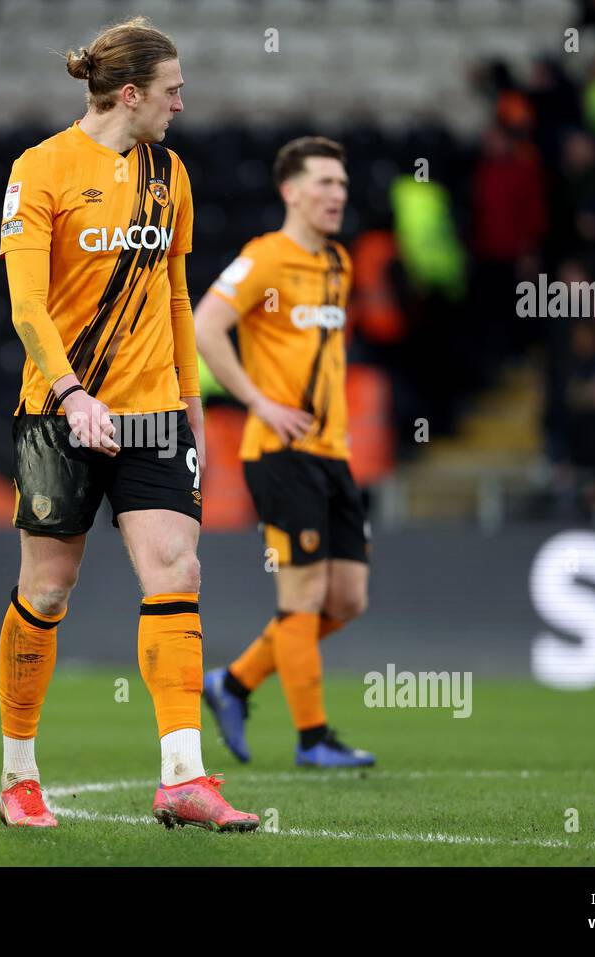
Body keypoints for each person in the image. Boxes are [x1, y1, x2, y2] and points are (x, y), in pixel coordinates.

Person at [0, 18, 258, 831]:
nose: (183, 103)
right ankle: (18, 775)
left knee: (177, 570)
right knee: (48, 587)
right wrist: (74, 393)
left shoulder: (169, 174)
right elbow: (26, 303)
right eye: (173, 89)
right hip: (58, 411)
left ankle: (183, 773)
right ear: (132, 93)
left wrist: (192, 401)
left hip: (152, 413)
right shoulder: (39, 168)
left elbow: (176, 295)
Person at [196, 136, 376, 769]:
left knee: (347, 597)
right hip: (278, 450)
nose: (337, 195)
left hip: (332, 452)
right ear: (291, 191)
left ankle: (234, 682)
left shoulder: (338, 264)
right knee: (300, 598)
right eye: (325, 183)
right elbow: (204, 325)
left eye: (343, 185)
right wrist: (257, 401)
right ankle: (313, 739)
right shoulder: (264, 258)